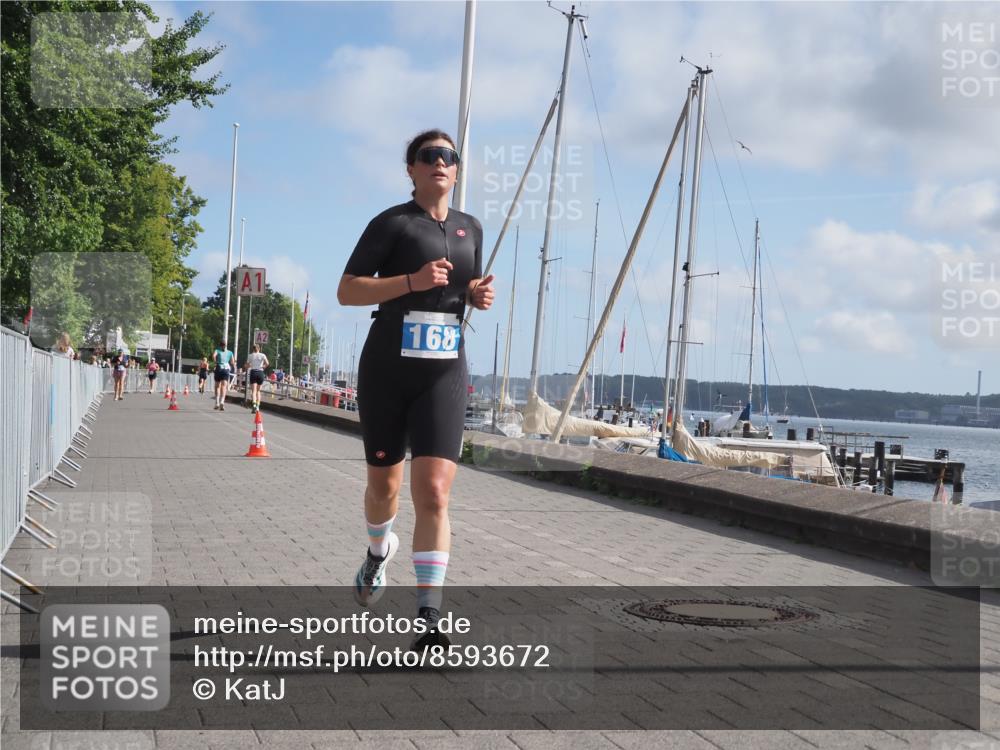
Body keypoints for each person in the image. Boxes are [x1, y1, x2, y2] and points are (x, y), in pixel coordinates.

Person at [337, 129, 494, 650]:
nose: (440, 163)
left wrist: (475, 293)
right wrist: (410, 281)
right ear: (411, 168)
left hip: (444, 371)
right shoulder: (391, 224)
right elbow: (348, 290)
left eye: (449, 157)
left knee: (433, 492)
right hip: (387, 367)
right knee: (384, 488)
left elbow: (459, 292)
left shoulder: (471, 228)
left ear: (457, 169)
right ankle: (378, 552)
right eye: (429, 156)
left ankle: (429, 618)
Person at [212, 340, 235, 410]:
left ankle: (217, 402)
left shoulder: (217, 350)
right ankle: (222, 401)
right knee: (224, 386)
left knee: (217, 386)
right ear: (226, 345)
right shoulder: (230, 352)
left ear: (220, 345)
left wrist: (216, 362)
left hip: (219, 368)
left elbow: (213, 356)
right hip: (226, 369)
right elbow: (232, 362)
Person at [245, 344, 269, 412]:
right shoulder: (262, 355)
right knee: (258, 391)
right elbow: (267, 363)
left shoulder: (250, 355)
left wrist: (248, 366)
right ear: (259, 349)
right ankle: (258, 407)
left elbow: (247, 365)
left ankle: (254, 405)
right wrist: (263, 367)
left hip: (253, 372)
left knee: (254, 391)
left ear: (253, 349)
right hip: (260, 372)